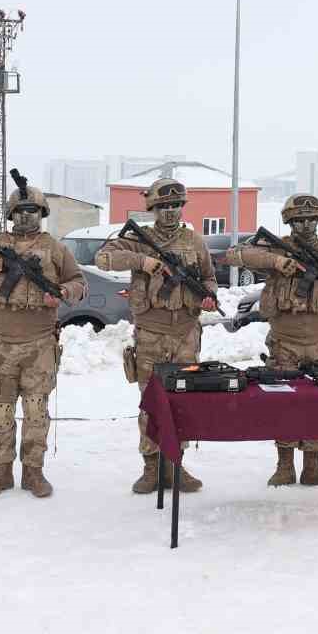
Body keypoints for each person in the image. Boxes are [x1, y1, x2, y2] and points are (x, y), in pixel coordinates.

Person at [0, 171, 86, 498]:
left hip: (40, 345)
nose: (25, 216)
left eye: (32, 210)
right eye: (20, 211)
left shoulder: (55, 249)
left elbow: (79, 283)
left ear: (42, 213)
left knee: (36, 412)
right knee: (0, 412)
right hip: (1, 345)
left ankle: (33, 472)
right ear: (10, 214)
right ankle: (1, 471)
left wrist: (64, 292)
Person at [222, 193, 318, 487]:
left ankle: (312, 466)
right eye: (299, 220)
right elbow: (234, 254)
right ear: (289, 222)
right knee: (283, 402)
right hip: (284, 342)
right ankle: (284, 466)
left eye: (311, 219)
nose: (306, 225)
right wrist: (277, 260)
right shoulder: (275, 250)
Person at [94, 178, 218, 494]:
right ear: (153, 208)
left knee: (182, 403)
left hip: (186, 333)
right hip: (151, 333)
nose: (170, 211)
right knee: (151, 402)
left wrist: (208, 296)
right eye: (163, 206)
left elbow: (209, 277)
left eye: (175, 205)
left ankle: (175, 465)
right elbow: (103, 258)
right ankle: (151, 468)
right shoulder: (140, 240)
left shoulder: (194, 241)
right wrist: (143, 261)